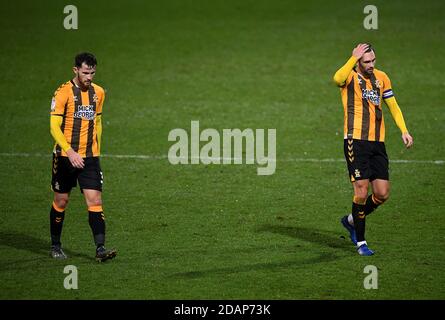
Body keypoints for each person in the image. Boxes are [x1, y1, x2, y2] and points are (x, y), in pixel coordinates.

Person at [333, 43, 413, 256]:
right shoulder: (349, 77)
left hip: (377, 143)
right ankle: (361, 243)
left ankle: (351, 220)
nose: (371, 65)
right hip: (355, 141)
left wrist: (404, 130)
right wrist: (352, 58)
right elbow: (336, 79)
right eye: (366, 61)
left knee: (382, 194)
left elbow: (393, 105)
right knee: (361, 189)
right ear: (358, 61)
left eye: (373, 60)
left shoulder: (381, 78)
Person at [49, 52, 117, 262]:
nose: (89, 77)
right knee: (62, 200)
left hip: (89, 157)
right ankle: (55, 245)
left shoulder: (98, 93)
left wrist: (96, 148)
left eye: (93, 73)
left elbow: (97, 121)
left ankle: (100, 249)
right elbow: (53, 126)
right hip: (65, 156)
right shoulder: (63, 93)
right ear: (76, 70)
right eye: (86, 72)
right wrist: (69, 151)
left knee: (95, 200)